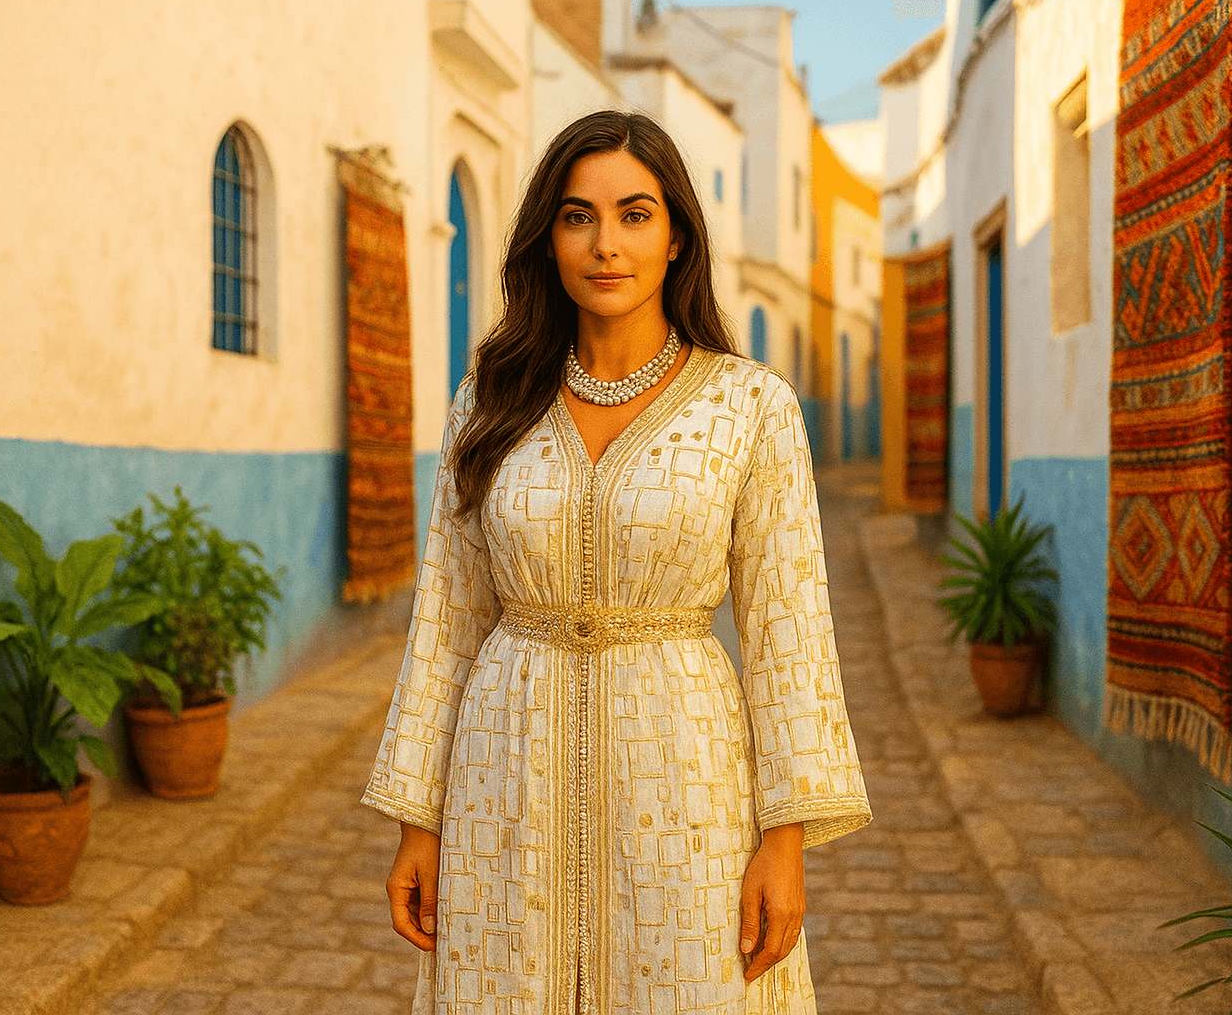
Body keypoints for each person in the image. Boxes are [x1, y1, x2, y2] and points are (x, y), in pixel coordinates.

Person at [362, 110, 872, 1014]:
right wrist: (419, 820)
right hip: (502, 771)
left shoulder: (749, 408)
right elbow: (446, 619)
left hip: (686, 774)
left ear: (677, 235)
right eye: (577, 216)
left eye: (635, 215)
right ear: (547, 239)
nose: (606, 244)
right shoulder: (490, 399)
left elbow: (790, 630)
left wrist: (785, 840)